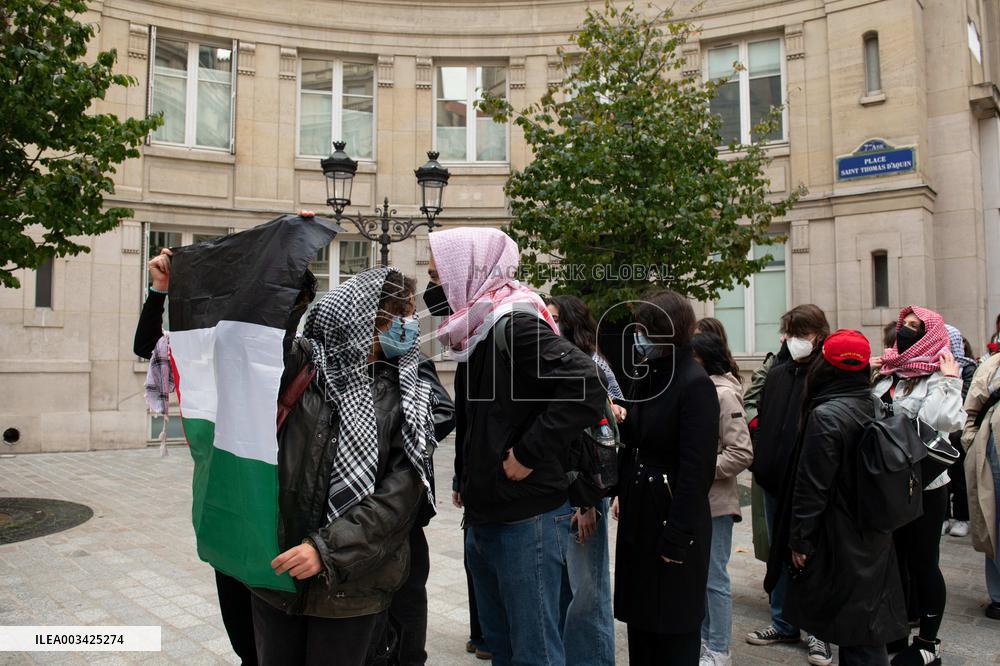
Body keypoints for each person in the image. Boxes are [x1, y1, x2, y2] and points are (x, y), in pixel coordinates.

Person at [248, 266, 451, 666]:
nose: (411, 326)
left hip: (353, 589)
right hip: (280, 575)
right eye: (402, 315)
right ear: (367, 321)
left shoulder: (410, 391)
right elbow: (261, 345)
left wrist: (326, 549)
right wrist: (291, 276)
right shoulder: (304, 369)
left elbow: (401, 495)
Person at [429, 227, 605, 666]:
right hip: (488, 517)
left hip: (526, 522)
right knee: (504, 650)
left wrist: (528, 453)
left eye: (438, 277)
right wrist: (465, 477)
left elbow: (586, 384)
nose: (435, 290)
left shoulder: (515, 324)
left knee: (535, 653)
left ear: (467, 272)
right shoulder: (477, 328)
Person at [134, 247, 270, 666]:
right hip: (221, 503)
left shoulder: (274, 348)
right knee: (243, 632)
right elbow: (147, 346)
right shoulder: (202, 350)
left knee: (271, 627)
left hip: (268, 504)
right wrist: (160, 289)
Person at [777, 330, 908, 665]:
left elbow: (812, 486)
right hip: (873, 529)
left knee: (859, 634)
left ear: (824, 366)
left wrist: (800, 540)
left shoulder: (826, 415)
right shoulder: (876, 404)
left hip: (839, 534)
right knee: (864, 625)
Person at [614, 289, 719, 665]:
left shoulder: (694, 383)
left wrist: (676, 539)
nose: (638, 337)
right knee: (642, 630)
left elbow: (696, 470)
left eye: (644, 329)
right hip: (641, 519)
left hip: (671, 521)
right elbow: (638, 439)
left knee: (672, 633)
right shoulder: (649, 374)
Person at [872, 305, 966, 666]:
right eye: (905, 324)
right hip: (889, 482)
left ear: (931, 334)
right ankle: (895, 629)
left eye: (916, 326)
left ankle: (928, 643)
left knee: (924, 562)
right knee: (892, 559)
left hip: (926, 484)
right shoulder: (889, 370)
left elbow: (942, 421)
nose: (906, 331)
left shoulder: (940, 375)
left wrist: (950, 382)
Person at [747, 304, 834, 666]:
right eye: (790, 333)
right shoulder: (779, 373)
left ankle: (818, 631)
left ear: (819, 335)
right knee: (778, 553)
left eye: (801, 333)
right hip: (773, 479)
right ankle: (783, 622)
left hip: (809, 485)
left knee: (810, 555)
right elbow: (765, 418)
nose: (793, 340)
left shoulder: (826, 374)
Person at [545, 294, 621, 666]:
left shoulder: (589, 364)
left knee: (589, 592)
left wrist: (587, 501)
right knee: (570, 590)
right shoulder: (555, 361)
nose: (549, 324)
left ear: (571, 322)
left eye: (554, 317)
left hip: (584, 491)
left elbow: (600, 436)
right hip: (563, 491)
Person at [690, 332, 753, 666]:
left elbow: (741, 452)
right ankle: (705, 642)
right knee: (700, 577)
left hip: (716, 502)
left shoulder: (724, 395)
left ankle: (719, 648)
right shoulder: (698, 389)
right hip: (697, 500)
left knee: (714, 578)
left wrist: (700, 468)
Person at [961, 345, 1000, 620]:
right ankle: (998, 595)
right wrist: (972, 442)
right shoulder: (992, 366)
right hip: (992, 454)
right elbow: (971, 409)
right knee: (993, 521)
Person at [942, 325, 977, 539]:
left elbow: (967, 399)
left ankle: (963, 517)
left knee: (960, 477)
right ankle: (944, 516)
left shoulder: (968, 368)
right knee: (942, 476)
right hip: (941, 432)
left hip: (959, 432)